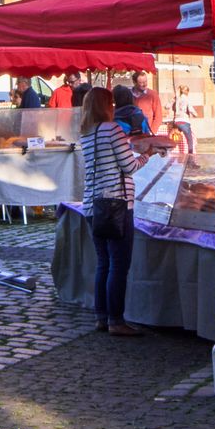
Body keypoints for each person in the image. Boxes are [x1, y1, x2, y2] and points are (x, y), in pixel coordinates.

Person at [79, 86, 143, 338]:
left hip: (92, 205)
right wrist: (147, 154)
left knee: (103, 262)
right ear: (106, 105)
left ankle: (101, 316)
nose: (114, 106)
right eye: (112, 103)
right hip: (116, 203)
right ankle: (116, 319)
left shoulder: (86, 132)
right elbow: (129, 166)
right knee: (119, 263)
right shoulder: (112, 129)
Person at [170, 81, 200, 156]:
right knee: (190, 140)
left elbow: (167, 106)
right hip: (184, 121)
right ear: (186, 91)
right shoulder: (186, 98)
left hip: (176, 121)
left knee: (175, 137)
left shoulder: (177, 98)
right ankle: (191, 156)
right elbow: (190, 108)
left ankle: (172, 152)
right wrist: (195, 114)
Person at [130, 68, 163, 134]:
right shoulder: (128, 94)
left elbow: (158, 116)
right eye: (141, 83)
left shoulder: (153, 94)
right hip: (131, 132)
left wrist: (152, 131)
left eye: (145, 82)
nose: (145, 84)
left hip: (147, 132)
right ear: (134, 82)